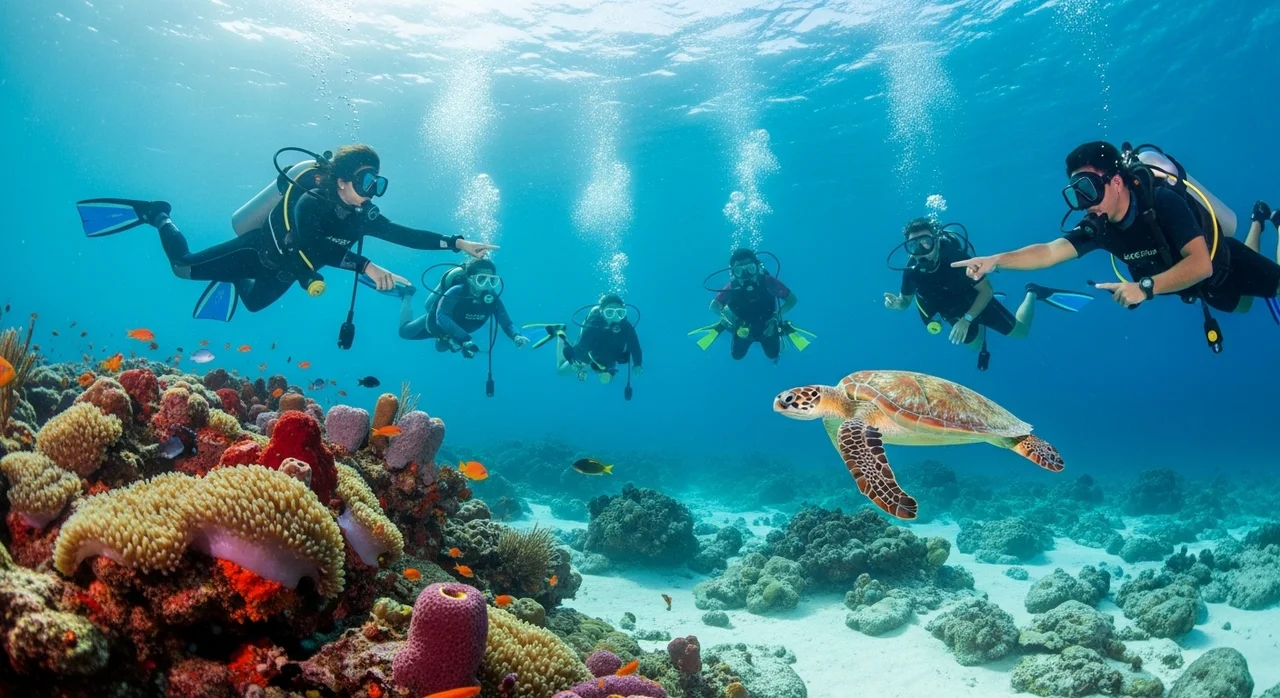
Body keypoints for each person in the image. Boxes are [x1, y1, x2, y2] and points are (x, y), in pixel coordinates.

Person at [78, 145, 494, 315]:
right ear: (343, 181)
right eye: (368, 182)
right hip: (258, 252)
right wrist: (366, 266)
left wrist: (457, 243)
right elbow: (314, 245)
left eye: (378, 184)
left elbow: (405, 234)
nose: (373, 193)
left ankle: (233, 279)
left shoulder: (362, 214)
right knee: (182, 269)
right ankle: (158, 215)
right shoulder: (312, 202)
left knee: (254, 306)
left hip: (285, 273)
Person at [952, 141, 1280, 323]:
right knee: (1246, 306)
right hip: (1193, 289)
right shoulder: (1100, 226)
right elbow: (1050, 251)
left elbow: (1200, 265)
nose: (1084, 203)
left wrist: (1145, 287)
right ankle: (1258, 222)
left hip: (1222, 265)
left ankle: (1273, 225)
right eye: (1076, 193)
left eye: (1089, 189)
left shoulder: (1161, 202)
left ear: (1117, 182)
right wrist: (997, 260)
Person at [884, 218, 1090, 349]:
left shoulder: (956, 258)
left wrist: (967, 319)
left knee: (1021, 333)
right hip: (951, 312)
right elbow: (905, 303)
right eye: (913, 245)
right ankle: (976, 323)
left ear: (936, 241)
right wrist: (897, 304)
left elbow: (986, 290)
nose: (920, 249)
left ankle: (1033, 292)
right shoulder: (911, 272)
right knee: (975, 345)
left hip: (976, 300)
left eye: (925, 242)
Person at [398, 259, 527, 357]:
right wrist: (464, 339)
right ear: (470, 279)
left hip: (458, 334)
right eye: (481, 279)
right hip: (436, 324)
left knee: (441, 348)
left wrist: (516, 335)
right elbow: (441, 316)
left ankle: (447, 340)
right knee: (404, 332)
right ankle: (407, 294)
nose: (487, 285)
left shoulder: (491, 299)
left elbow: (505, 321)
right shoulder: (456, 291)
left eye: (492, 281)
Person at [702, 249, 798, 363]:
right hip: (742, 327)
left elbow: (792, 299)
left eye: (750, 269)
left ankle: (783, 327)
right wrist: (726, 319)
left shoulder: (768, 282)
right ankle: (723, 325)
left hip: (768, 325)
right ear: (733, 273)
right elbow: (714, 306)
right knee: (737, 356)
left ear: (757, 267)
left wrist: (777, 316)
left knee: (773, 355)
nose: (746, 275)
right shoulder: (732, 287)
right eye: (739, 271)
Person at [526, 294, 643, 383]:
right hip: (590, 351)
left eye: (620, 313)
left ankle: (601, 369)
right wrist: (574, 362)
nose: (615, 318)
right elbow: (581, 349)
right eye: (610, 313)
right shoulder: (593, 326)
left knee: (605, 373)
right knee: (561, 370)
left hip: (604, 354)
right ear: (602, 312)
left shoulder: (626, 326)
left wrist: (638, 363)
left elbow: (635, 345)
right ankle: (560, 332)